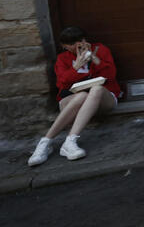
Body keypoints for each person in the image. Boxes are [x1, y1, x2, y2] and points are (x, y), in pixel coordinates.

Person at [27, 26, 122, 166]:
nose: (75, 47)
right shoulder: (63, 58)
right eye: (70, 45)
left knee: (95, 89)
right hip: (73, 100)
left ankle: (70, 141)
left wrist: (93, 58)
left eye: (78, 42)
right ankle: (46, 142)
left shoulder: (99, 49)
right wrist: (75, 67)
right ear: (64, 46)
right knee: (82, 95)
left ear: (84, 40)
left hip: (103, 99)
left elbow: (111, 76)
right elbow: (61, 84)